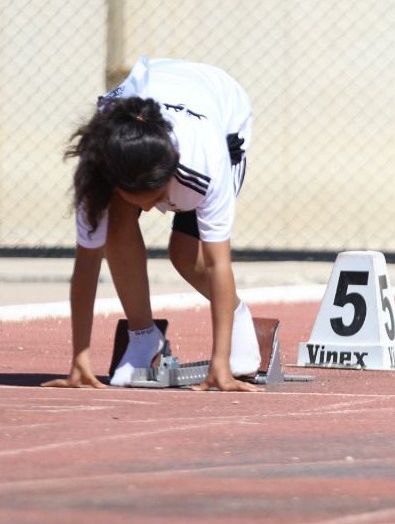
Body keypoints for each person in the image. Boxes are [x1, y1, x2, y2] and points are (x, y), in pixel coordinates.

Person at [44, 56, 264, 392]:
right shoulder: (97, 170)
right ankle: (144, 337)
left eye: (156, 196)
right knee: (117, 222)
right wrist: (79, 359)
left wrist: (221, 364)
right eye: (139, 198)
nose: (150, 209)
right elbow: (86, 264)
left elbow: (219, 263)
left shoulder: (207, 163)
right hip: (153, 98)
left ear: (171, 174)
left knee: (185, 255)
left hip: (222, 106)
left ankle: (238, 315)